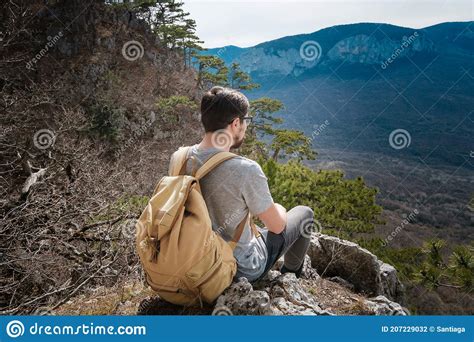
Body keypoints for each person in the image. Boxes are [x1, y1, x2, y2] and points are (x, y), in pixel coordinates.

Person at [168, 86, 314, 283]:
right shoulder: (246, 169)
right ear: (236, 123)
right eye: (246, 121)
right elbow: (277, 227)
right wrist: (279, 208)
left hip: (191, 260)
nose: (246, 126)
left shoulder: (179, 157)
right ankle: (290, 277)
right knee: (305, 213)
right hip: (239, 268)